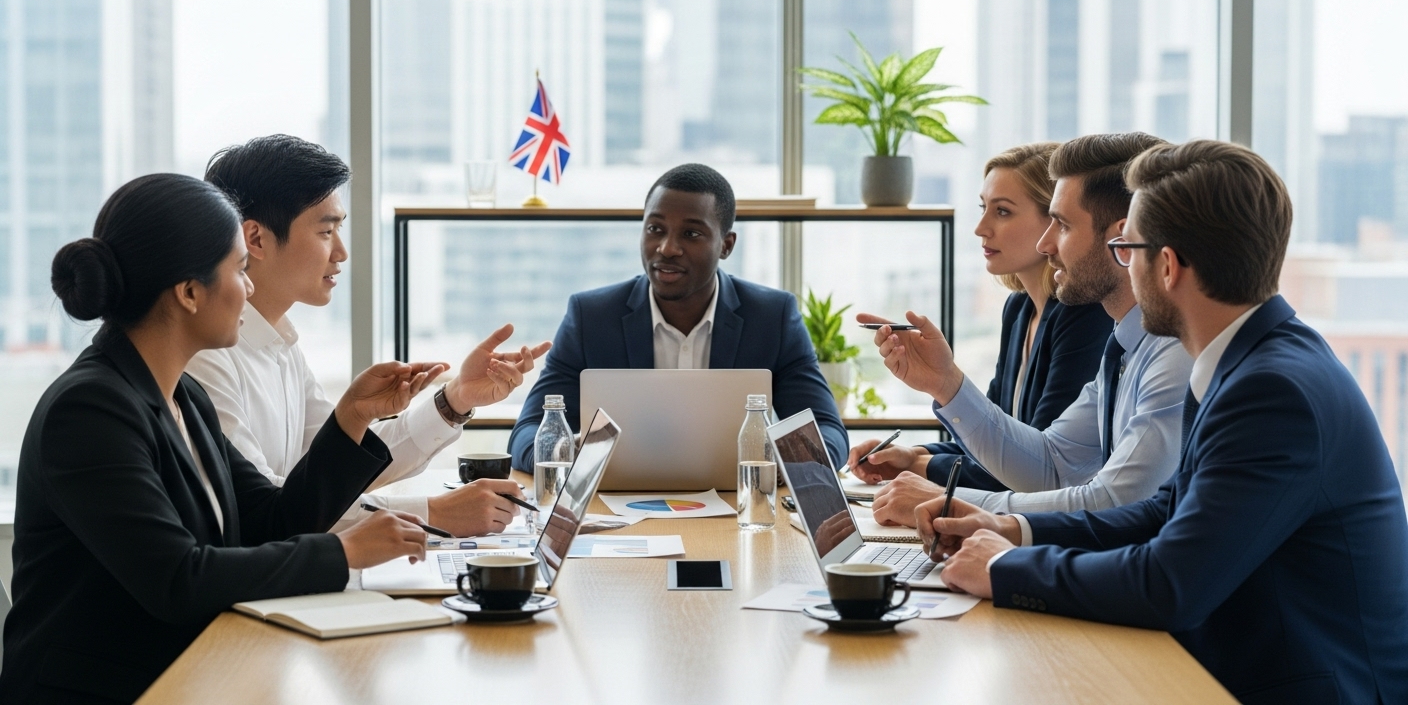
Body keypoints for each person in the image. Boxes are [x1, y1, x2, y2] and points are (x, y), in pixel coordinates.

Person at [919, 140, 1408, 704]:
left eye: (1129, 248)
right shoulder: (1244, 362)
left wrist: (1009, 570)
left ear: (1168, 265)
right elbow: (1165, 512)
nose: (1124, 262)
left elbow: (1172, 583)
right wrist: (1016, 532)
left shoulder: (1272, 391)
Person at [0, 175, 438, 704]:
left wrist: (352, 417)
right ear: (188, 292)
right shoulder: (89, 411)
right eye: (239, 269)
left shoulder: (184, 396)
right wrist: (342, 552)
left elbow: (272, 520)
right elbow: (178, 579)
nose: (250, 288)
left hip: (196, 671)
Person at [188, 135, 549, 537]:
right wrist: (433, 514)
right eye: (326, 232)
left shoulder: (280, 345)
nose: (341, 252)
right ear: (255, 239)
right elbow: (273, 511)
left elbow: (340, 470)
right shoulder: (206, 358)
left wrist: (455, 400)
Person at [858, 132, 1191, 523]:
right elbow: (1050, 464)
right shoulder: (1126, 344)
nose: (1047, 245)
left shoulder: (1174, 352)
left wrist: (949, 503)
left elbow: (1116, 503)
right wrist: (945, 383)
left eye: (1062, 225)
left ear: (1122, 241)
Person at [508, 163, 848, 469]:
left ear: (726, 245)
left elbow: (828, 432)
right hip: (618, 517)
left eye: (691, 233)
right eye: (655, 229)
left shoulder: (772, 318)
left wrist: (774, 457)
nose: (667, 248)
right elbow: (527, 434)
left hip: (735, 515)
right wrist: (568, 451)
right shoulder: (592, 317)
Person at [847, 143, 1111, 493]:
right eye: (984, 208)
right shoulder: (1019, 309)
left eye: (1002, 212)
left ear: (1055, 220)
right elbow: (993, 439)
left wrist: (921, 466)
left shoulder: (1085, 315)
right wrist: (914, 453)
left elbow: (1031, 467)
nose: (981, 228)